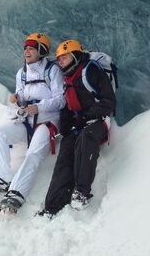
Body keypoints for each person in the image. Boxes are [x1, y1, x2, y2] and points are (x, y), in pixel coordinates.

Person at [0, 33, 65, 213]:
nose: (27, 50)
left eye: (32, 47)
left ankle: (16, 194)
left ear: (41, 50)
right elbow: (21, 96)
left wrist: (39, 108)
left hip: (47, 122)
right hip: (26, 121)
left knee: (33, 154)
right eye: (25, 47)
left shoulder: (52, 70)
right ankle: (3, 179)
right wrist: (16, 99)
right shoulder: (22, 73)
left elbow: (61, 100)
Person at [40, 39, 116, 216]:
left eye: (64, 58)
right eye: (59, 59)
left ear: (75, 56)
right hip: (80, 123)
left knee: (86, 138)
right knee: (65, 153)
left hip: (99, 120)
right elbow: (68, 106)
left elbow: (109, 102)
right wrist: (67, 127)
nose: (60, 62)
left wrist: (87, 116)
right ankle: (52, 206)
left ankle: (81, 192)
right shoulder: (67, 78)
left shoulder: (91, 71)